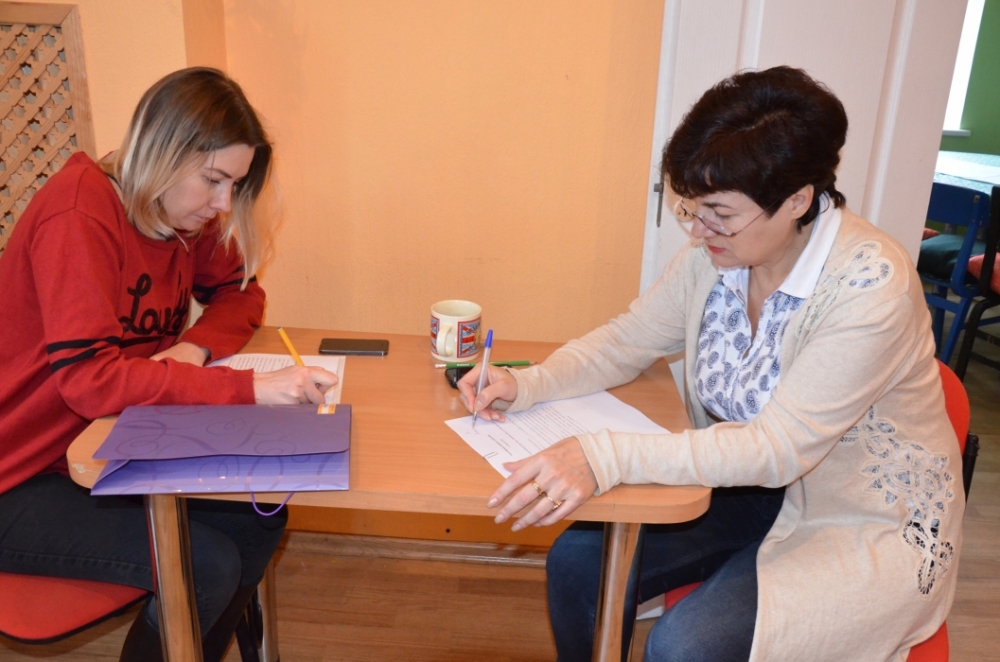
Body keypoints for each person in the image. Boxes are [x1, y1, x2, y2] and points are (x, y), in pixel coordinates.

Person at [458, 66, 963, 662]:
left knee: (684, 646)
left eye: (719, 213)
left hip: (862, 521)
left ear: (798, 200)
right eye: (692, 209)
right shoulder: (719, 257)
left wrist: (603, 456)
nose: (699, 231)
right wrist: (526, 384)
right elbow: (628, 340)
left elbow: (778, 448)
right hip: (748, 488)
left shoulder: (870, 285)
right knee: (578, 565)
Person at [0, 68, 338, 662]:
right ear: (163, 153)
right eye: (214, 180)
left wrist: (196, 347)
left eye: (234, 185)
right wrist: (249, 388)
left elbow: (241, 293)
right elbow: (89, 382)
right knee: (206, 566)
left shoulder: (175, 214)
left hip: (94, 450)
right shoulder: (79, 215)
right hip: (17, 477)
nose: (222, 204)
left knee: (258, 521)